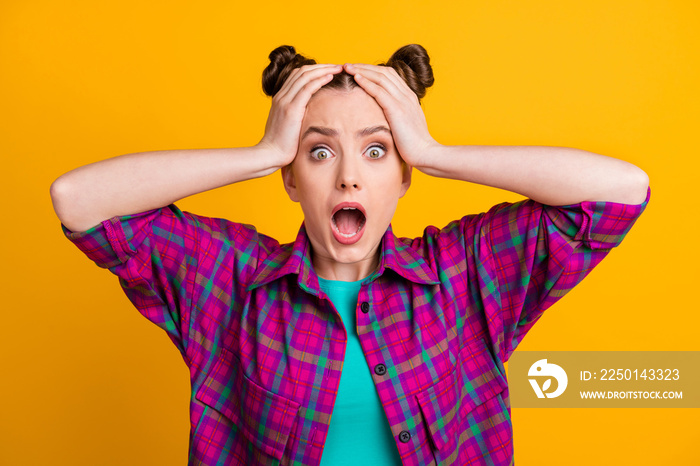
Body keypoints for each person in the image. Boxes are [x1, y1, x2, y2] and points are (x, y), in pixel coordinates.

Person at [51, 44, 650, 466]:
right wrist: (262, 152)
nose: (348, 180)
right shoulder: (232, 283)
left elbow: (621, 192)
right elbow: (77, 200)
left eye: (375, 151)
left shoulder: (464, 275)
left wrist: (433, 151)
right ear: (290, 179)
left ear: (403, 176)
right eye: (317, 154)